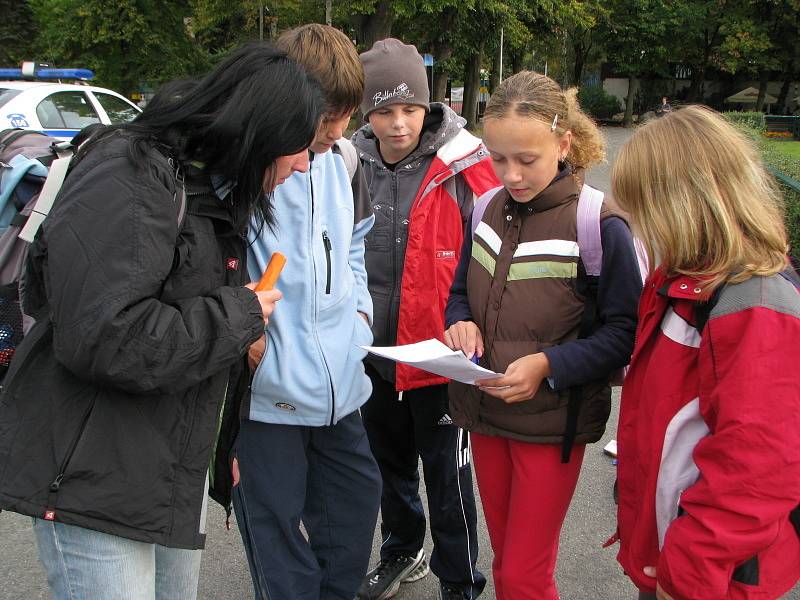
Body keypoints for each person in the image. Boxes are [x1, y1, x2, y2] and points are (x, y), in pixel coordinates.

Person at [0, 44, 324, 599]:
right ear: (258, 131)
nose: (304, 164)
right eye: (299, 147)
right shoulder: (129, 176)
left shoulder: (206, 186)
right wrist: (240, 313)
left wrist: (221, 448)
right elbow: (107, 336)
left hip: (167, 471)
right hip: (94, 479)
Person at [443, 71, 642, 600]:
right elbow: (460, 289)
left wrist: (549, 366)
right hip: (484, 412)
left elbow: (625, 331)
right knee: (506, 564)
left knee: (526, 577)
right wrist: (458, 320)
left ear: (563, 143)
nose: (509, 174)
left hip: (552, 423)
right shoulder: (483, 207)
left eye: (526, 160)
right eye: (497, 157)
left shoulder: (599, 222)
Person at [612, 105, 800, 600]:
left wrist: (689, 572)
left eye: (643, 210)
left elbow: (755, 470)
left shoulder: (754, 304)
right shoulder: (680, 278)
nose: (638, 228)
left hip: (711, 573)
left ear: (684, 204)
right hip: (672, 546)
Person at [231, 24, 382, 600]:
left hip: (341, 384)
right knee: (277, 534)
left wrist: (360, 319)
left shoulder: (345, 159)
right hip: (268, 391)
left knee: (354, 506)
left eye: (347, 115)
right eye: (326, 119)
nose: (339, 132)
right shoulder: (246, 164)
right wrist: (239, 331)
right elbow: (217, 262)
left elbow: (355, 245)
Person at [352, 38, 498, 600]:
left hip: (440, 356)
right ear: (366, 111)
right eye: (384, 110)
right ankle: (402, 548)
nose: (397, 124)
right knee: (387, 466)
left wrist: (478, 326)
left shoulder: (465, 164)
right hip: (372, 354)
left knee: (449, 482)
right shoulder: (347, 160)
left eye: (409, 109)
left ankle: (460, 583)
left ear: (427, 104)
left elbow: (492, 255)